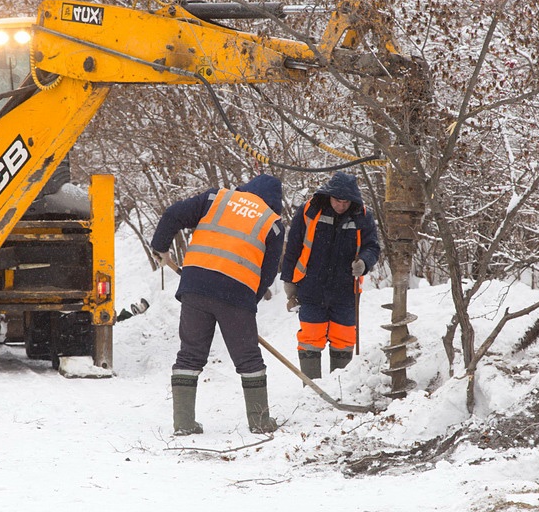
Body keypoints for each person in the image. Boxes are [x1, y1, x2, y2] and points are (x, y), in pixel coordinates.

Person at [151, 174, 284, 435]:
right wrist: (248, 302)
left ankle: (184, 423)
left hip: (195, 286)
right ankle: (259, 422)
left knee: (190, 354)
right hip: (236, 294)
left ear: (246, 189)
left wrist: (160, 247)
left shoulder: (216, 198)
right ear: (273, 202)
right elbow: (267, 273)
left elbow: (173, 214)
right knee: (248, 358)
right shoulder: (273, 224)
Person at [280, 170, 380, 380]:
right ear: (329, 195)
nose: (341, 205)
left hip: (346, 291)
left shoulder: (361, 215)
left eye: (345, 202)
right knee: (310, 339)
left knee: (343, 339)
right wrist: (289, 282)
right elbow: (293, 247)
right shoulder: (310, 210)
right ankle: (313, 392)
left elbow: (372, 246)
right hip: (312, 287)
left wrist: (364, 262)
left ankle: (341, 389)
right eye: (337, 200)